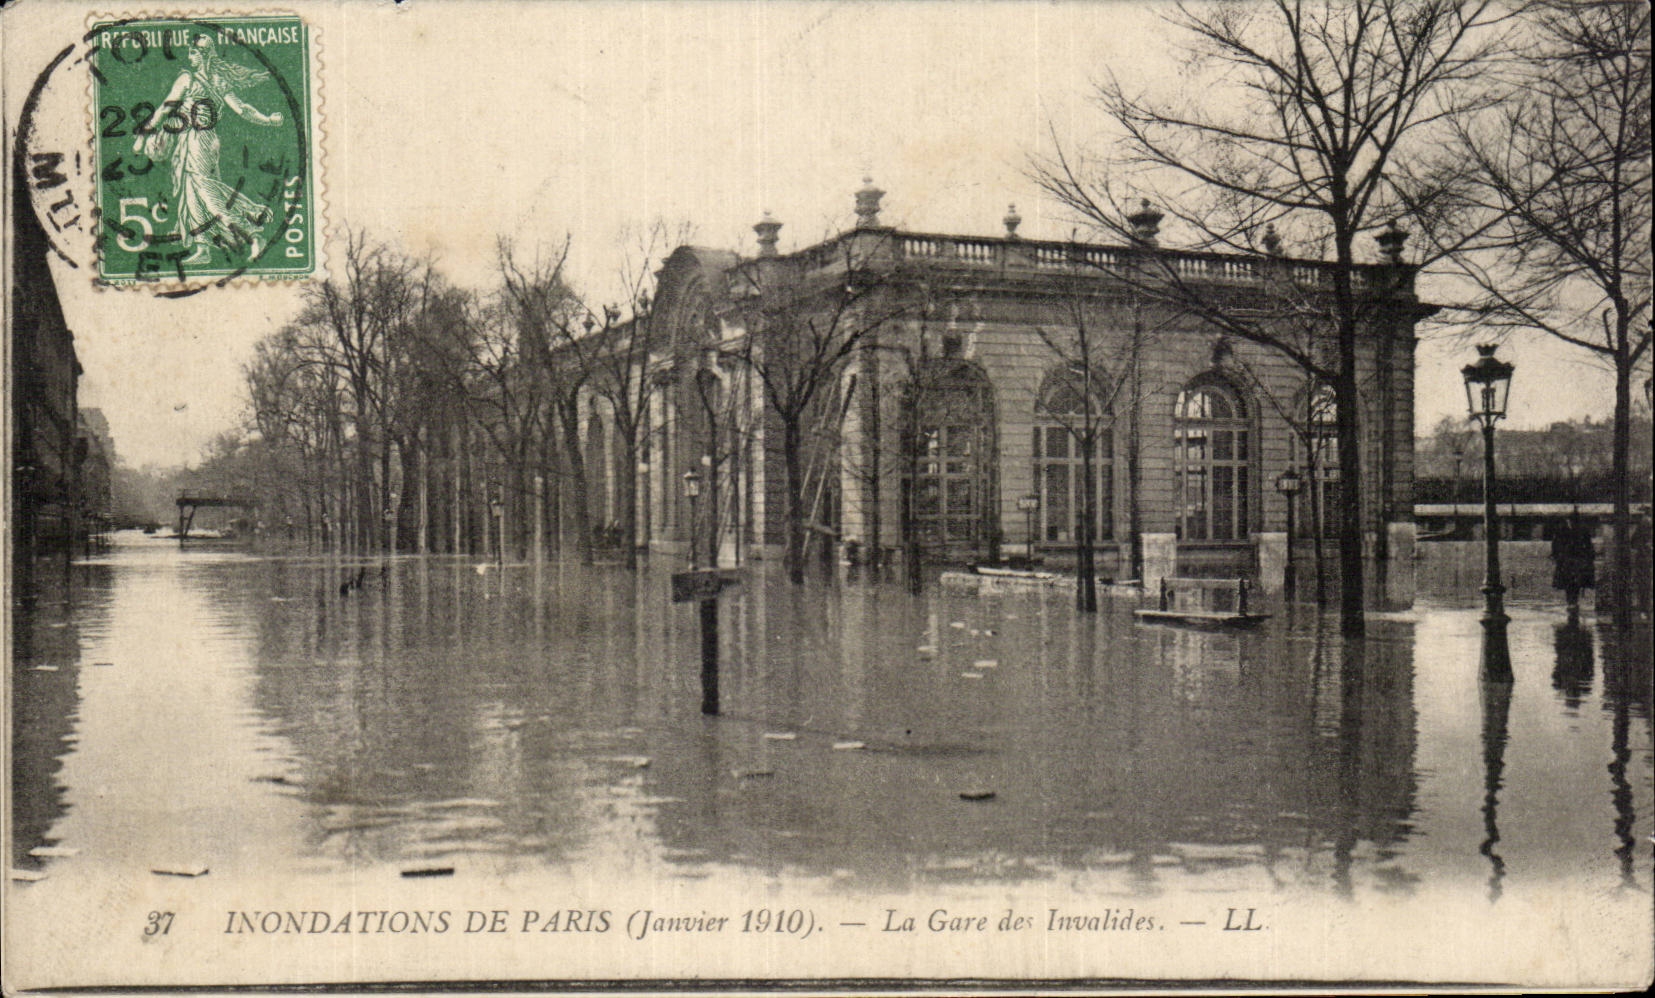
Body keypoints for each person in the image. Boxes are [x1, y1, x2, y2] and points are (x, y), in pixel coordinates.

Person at [131, 33, 284, 266]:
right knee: (191, 191)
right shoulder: (216, 79)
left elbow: (164, 108)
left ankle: (253, 234)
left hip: (198, 140)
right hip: (197, 140)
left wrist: (144, 134)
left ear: (203, 55)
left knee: (205, 190)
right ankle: (203, 248)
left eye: (193, 52)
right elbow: (242, 109)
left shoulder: (189, 78)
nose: (189, 56)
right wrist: (268, 120)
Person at [1550, 508, 1596, 617]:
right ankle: (1573, 602)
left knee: (1570, 582)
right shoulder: (1582, 529)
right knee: (1574, 582)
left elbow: (1556, 544)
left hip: (1569, 561)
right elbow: (1589, 546)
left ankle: (1572, 602)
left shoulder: (1564, 529)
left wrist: (1557, 556)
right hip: (1575, 560)